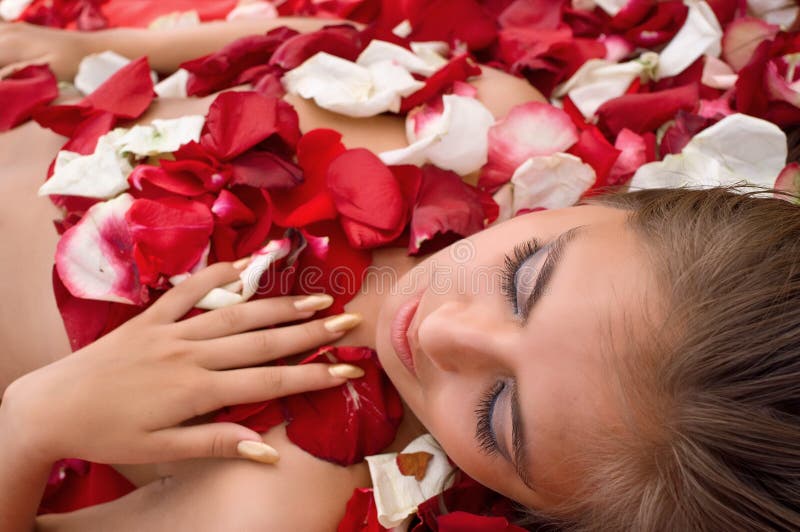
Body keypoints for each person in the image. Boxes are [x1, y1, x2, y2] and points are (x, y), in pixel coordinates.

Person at [1, 18, 800, 532]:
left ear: (539, 508)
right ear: (619, 200)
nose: (445, 330)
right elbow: (309, 37)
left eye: (498, 416)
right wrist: (80, 54)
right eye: (524, 282)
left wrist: (30, 427)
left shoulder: (278, 497)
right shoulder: (483, 117)